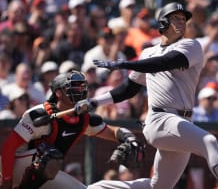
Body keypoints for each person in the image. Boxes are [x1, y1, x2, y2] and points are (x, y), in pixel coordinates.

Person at [75, 2, 218, 189]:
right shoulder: (148, 52)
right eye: (176, 18)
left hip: (182, 123)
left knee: (158, 187)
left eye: (183, 19)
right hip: (159, 118)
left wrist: (125, 64)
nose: (181, 22)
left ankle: (99, 188)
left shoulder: (191, 45)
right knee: (209, 141)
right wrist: (93, 101)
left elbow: (165, 62)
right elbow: (128, 89)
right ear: (163, 22)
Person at [0, 70, 144, 189]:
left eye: (81, 87)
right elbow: (8, 148)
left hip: (46, 170)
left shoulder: (83, 119)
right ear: (58, 93)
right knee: (49, 157)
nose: (79, 90)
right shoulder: (40, 114)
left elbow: (112, 131)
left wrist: (129, 138)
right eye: (74, 87)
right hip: (13, 167)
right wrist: (6, 180)